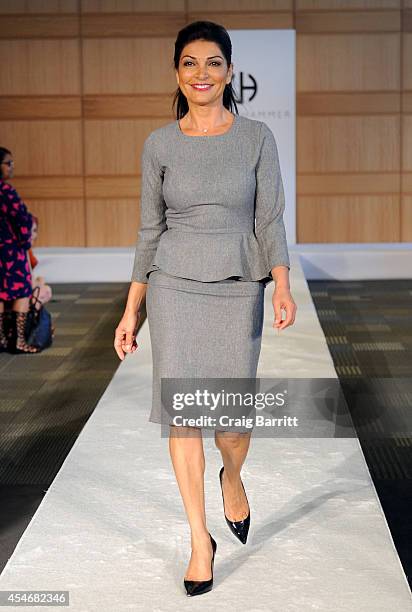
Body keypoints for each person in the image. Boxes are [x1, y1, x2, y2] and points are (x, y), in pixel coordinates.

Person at [114, 21, 297, 597]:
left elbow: (268, 218)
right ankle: (200, 539)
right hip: (173, 286)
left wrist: (284, 286)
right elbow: (149, 231)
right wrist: (132, 308)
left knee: (233, 426)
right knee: (184, 416)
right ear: (177, 72)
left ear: (229, 71)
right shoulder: (159, 145)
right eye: (190, 63)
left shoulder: (256, 138)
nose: (201, 74)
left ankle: (234, 479)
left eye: (213, 63)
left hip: (238, 284)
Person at [0, 147, 39, 354]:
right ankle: (19, 341)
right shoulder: (6, 191)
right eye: (8, 163)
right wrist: (25, 243)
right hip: (10, 252)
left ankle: (2, 339)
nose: (11, 167)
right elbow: (22, 220)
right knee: (22, 291)